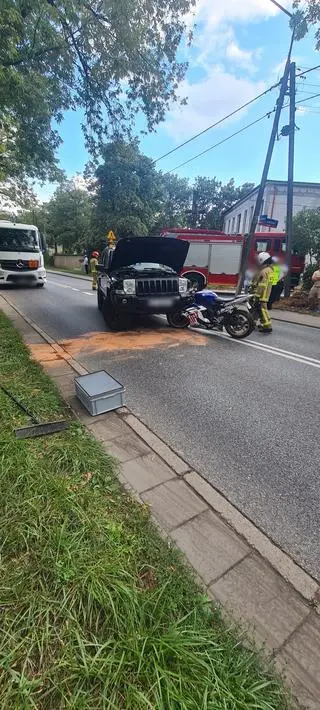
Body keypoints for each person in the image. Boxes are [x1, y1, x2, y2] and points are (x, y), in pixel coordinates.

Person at [254, 251, 274, 333]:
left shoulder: (264, 271)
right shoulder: (270, 270)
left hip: (262, 294)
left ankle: (267, 326)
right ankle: (264, 323)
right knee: (262, 309)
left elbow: (262, 285)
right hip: (267, 293)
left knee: (263, 310)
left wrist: (257, 295)